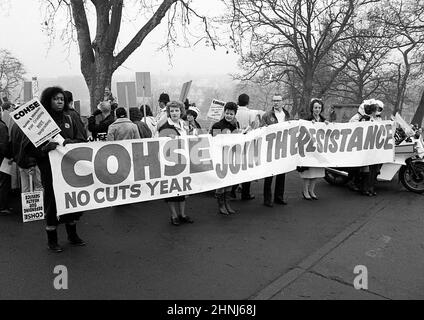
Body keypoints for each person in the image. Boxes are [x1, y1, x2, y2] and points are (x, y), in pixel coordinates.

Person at [26, 86, 87, 252]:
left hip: (69, 168)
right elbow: (31, 149)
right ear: (48, 101)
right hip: (49, 168)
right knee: (53, 201)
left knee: (71, 199)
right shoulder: (40, 122)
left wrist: (70, 143)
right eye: (55, 99)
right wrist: (45, 149)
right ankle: (52, 240)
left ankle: (72, 235)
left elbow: (81, 139)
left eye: (61, 98)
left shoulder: (70, 117)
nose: (59, 101)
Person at [158, 101, 194, 226]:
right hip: (170, 162)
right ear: (168, 112)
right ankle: (174, 215)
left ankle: (183, 214)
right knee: (172, 190)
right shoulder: (164, 126)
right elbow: (160, 144)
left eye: (176, 110)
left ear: (181, 111)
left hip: (183, 161)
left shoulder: (184, 124)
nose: (174, 113)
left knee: (183, 189)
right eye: (172, 111)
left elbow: (188, 139)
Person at [260, 94, 290, 207]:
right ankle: (267, 199)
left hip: (283, 147)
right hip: (270, 148)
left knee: (281, 174)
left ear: (282, 102)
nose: (276, 103)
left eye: (278, 100)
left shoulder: (286, 114)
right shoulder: (267, 115)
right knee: (269, 174)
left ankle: (279, 197)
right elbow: (261, 129)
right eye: (274, 101)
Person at [210, 102, 240, 215]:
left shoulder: (236, 125)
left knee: (230, 182)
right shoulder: (217, 125)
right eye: (227, 113)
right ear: (224, 112)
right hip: (220, 157)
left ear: (234, 114)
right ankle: (221, 205)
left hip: (232, 157)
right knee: (222, 182)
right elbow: (214, 142)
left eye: (231, 114)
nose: (229, 116)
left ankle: (227, 204)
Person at [297, 98, 329, 200]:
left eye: (319, 108)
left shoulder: (323, 120)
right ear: (312, 108)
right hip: (309, 150)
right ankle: (305, 191)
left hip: (318, 151)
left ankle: (312, 190)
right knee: (308, 173)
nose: (317, 109)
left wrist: (328, 126)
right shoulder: (307, 120)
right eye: (315, 107)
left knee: (316, 172)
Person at [230, 93, 258, 200]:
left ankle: (232, 190)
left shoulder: (234, 112)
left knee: (236, 168)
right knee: (247, 169)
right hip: (247, 143)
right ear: (248, 102)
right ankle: (245, 193)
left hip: (235, 143)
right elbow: (254, 127)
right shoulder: (251, 113)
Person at [350, 100, 378, 196]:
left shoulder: (370, 118)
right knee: (363, 167)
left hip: (368, 147)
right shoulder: (356, 118)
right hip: (357, 147)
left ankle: (367, 187)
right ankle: (360, 186)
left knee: (370, 168)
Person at [10, 122, 43, 195]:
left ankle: (25, 205)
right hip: (31, 162)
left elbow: (12, 143)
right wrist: (31, 164)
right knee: (38, 187)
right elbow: (28, 146)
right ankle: (39, 206)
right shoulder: (29, 126)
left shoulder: (15, 125)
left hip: (20, 161)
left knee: (25, 188)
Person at [0, 115, 12, 215]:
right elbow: (4, 144)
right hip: (2, 159)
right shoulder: (2, 126)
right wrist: (9, 156)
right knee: (4, 182)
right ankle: (3, 206)